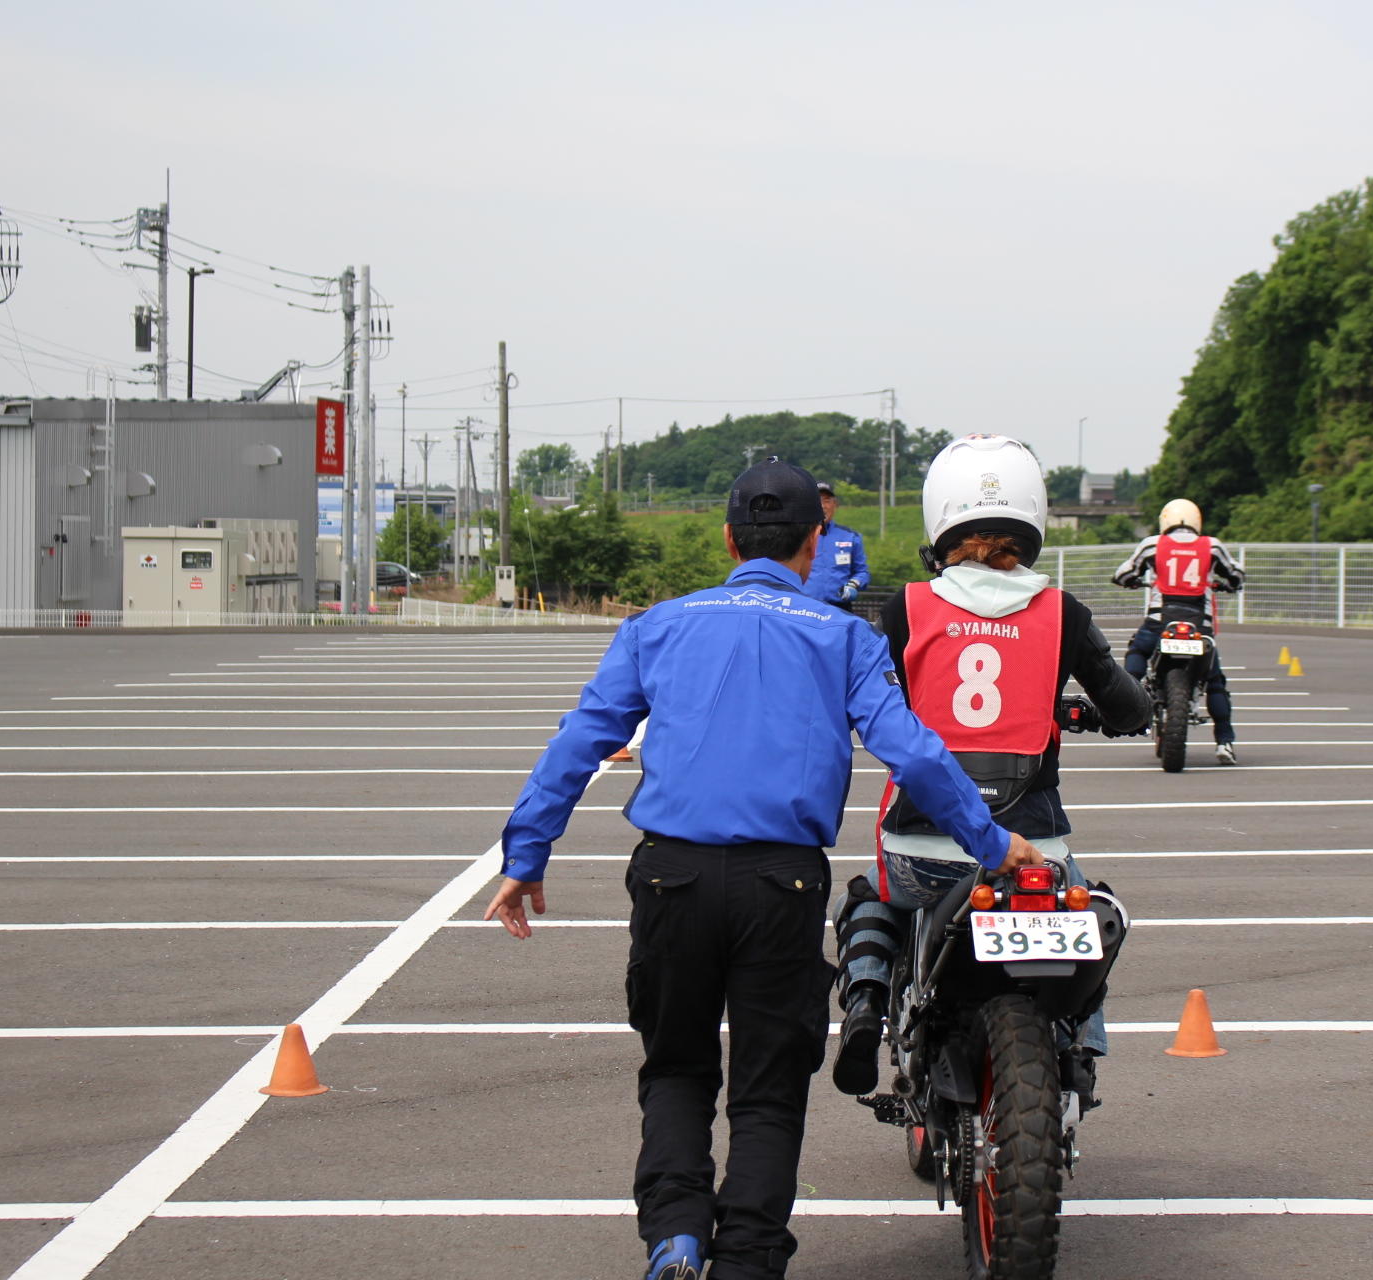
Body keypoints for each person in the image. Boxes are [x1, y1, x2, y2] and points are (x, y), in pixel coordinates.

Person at [484, 456, 1045, 1280]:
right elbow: (914, 753)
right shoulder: (843, 636)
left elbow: (581, 739)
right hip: (780, 883)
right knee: (768, 1086)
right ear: (817, 543)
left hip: (670, 875)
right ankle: (747, 1259)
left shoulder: (658, 624)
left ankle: (675, 1237)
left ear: (726, 536)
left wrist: (526, 854)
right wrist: (996, 844)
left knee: (675, 1067)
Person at [831, 433, 1151, 1103]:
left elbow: (857, 693)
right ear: (1031, 516)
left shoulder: (906, 607)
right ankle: (1081, 1049)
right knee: (1087, 910)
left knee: (872, 897)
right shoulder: (1061, 611)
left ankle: (863, 1002)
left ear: (939, 518)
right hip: (1031, 842)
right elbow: (1128, 710)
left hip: (920, 841)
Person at [1111, 498, 1245, 764]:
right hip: (1199, 625)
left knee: (1137, 649)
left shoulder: (1152, 544)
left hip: (1160, 622)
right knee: (1215, 682)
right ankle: (1225, 742)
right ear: (1197, 521)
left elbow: (1122, 574)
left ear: (1165, 521)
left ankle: (1127, 699)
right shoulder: (1213, 546)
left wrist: (1134, 582)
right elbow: (1236, 575)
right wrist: (1225, 583)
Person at [802, 480, 871, 608]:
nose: (822, 506)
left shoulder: (850, 537)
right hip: (806, 607)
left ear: (835, 504)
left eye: (827, 501)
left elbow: (862, 572)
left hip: (840, 608)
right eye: (818, 501)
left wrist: (853, 584)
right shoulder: (799, 536)